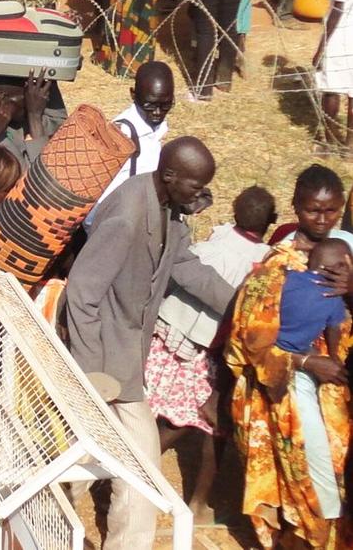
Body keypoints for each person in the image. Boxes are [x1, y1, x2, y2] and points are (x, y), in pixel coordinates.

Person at [65, 137, 235, 550]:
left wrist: (241, 304)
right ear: (170, 175)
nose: (201, 197)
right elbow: (82, 292)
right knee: (119, 463)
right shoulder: (128, 215)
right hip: (103, 362)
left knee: (108, 461)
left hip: (124, 359)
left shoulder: (167, 208)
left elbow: (185, 266)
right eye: (196, 187)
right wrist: (92, 378)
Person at [227, 166, 353, 548]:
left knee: (336, 474)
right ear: (296, 207)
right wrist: (307, 362)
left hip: (336, 390)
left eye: (331, 211)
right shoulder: (276, 268)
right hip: (283, 391)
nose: (323, 219)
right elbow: (249, 340)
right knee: (307, 483)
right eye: (313, 210)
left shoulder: (344, 259)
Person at [144, 185, 275, 523]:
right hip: (204, 351)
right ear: (272, 221)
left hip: (167, 332)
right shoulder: (262, 264)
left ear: (233, 212)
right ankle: (171, 488)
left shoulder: (214, 241)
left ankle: (129, 467)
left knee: (151, 405)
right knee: (201, 421)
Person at [91, 61, 175, 217]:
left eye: (166, 105)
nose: (157, 112)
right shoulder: (121, 136)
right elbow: (97, 203)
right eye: (150, 105)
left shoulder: (155, 128)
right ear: (133, 95)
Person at [315, 0, 353, 147]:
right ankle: (350, 144)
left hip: (342, 38)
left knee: (331, 90)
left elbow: (336, 12)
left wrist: (321, 48)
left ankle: (328, 142)